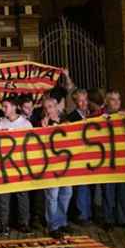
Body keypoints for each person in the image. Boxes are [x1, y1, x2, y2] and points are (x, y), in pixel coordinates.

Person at [0, 98, 32, 235]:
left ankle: (24, 223)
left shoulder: (26, 124)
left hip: (20, 166)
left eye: (6, 106)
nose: (3, 109)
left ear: (15, 107)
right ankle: (3, 223)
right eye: (2, 107)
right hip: (4, 167)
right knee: (4, 196)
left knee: (22, 195)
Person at [100, 90, 125, 232]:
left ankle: (123, 219)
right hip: (107, 162)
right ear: (107, 102)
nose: (116, 102)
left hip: (121, 162)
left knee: (123, 192)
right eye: (113, 99)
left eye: (118, 99)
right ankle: (108, 220)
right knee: (108, 192)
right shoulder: (100, 117)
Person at [39, 97, 73, 239]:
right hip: (50, 166)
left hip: (65, 166)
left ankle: (62, 221)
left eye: (51, 106)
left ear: (56, 107)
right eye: (46, 107)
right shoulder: (42, 124)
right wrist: (44, 129)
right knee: (52, 196)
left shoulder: (66, 121)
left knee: (66, 193)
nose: (48, 110)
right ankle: (53, 226)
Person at [66, 89, 93, 226]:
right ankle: (81, 215)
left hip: (91, 156)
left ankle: (88, 213)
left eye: (85, 100)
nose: (83, 103)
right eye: (80, 101)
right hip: (79, 157)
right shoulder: (71, 117)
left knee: (89, 186)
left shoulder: (93, 115)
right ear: (75, 102)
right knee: (81, 186)